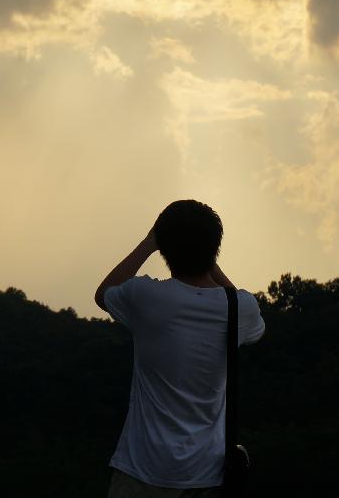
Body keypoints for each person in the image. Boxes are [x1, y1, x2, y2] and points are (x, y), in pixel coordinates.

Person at [95, 200, 265, 497]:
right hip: (205, 476)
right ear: (215, 248)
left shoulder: (145, 296)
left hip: (142, 469)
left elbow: (103, 293)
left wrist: (149, 243)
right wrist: (209, 259)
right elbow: (238, 304)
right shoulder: (239, 308)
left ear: (164, 248)